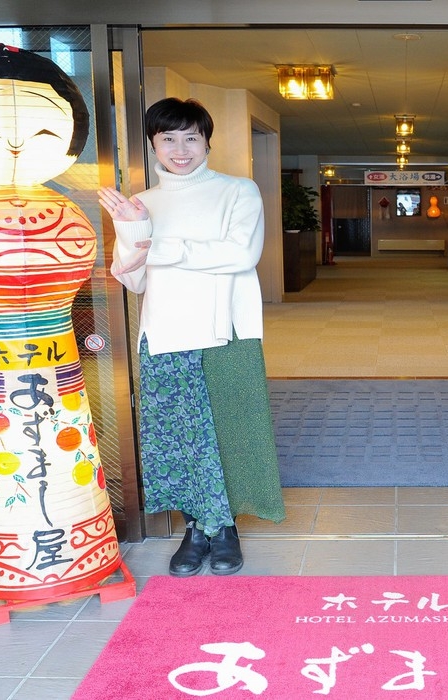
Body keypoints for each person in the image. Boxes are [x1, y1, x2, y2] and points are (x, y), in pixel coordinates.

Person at [99, 97, 285, 577]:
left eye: (191, 138)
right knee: (177, 439)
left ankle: (225, 528)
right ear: (153, 144)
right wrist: (133, 232)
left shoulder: (238, 191)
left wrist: (154, 245)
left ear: (206, 141)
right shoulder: (144, 203)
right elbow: (135, 278)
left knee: (230, 432)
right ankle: (194, 528)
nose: (180, 150)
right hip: (163, 331)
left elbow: (240, 254)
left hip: (228, 331)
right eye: (168, 139)